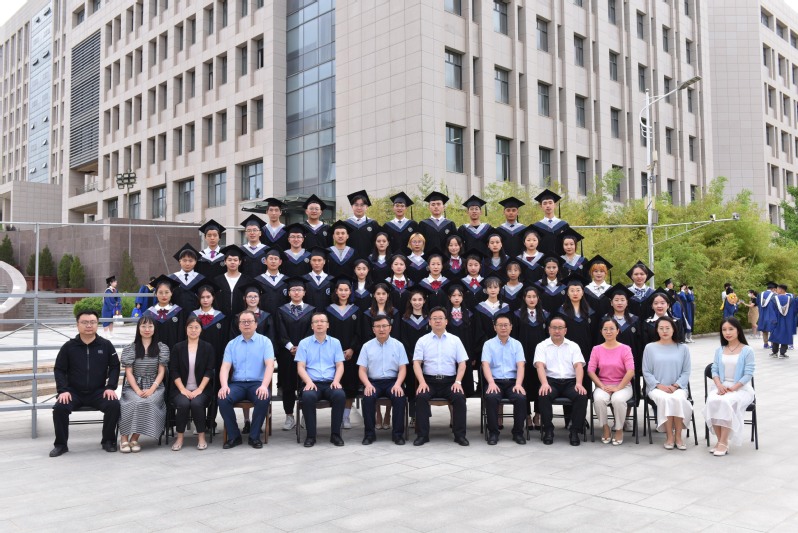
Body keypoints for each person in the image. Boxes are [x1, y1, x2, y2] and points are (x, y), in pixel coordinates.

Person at [50, 310, 120, 457]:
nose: (89, 325)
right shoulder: (69, 347)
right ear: (78, 325)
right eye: (85, 322)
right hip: (73, 392)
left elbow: (115, 366)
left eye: (92, 322)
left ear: (97, 324)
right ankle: (61, 445)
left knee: (114, 405)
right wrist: (63, 390)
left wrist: (110, 387)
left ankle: (108, 441)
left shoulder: (106, 345)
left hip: (98, 391)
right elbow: (59, 370)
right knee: (59, 408)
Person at [217, 310, 275, 449]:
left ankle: (254, 437)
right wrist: (224, 386)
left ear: (256, 324)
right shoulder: (232, 344)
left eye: (250, 321)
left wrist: (264, 386)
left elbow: (270, 365)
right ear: (239, 325)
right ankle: (234, 436)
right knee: (223, 398)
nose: (246, 324)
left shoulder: (265, 342)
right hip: (237, 384)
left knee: (263, 398)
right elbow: (225, 367)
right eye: (243, 321)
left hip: (257, 384)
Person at [412, 307, 469, 446]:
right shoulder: (422, 340)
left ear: (446, 321)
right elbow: (416, 363)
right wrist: (422, 382)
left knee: (459, 397)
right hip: (429, 381)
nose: (438, 321)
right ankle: (422, 435)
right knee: (421, 397)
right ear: (429, 321)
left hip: (450, 382)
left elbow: (462, 363)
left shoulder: (455, 340)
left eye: (440, 318)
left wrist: (458, 382)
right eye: (434, 318)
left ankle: (460, 435)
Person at [704, 317, 756, 456]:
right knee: (712, 401)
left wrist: (733, 388)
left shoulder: (747, 350)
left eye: (731, 329)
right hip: (721, 386)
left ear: (738, 330)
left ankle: (723, 442)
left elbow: (748, 374)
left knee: (726, 402)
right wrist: (719, 385)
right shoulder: (719, 350)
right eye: (724, 330)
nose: (727, 332)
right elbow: (714, 370)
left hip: (741, 388)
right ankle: (720, 440)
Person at [533, 316, 588, 446]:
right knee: (544, 394)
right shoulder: (542, 346)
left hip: (570, 382)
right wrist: (544, 383)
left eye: (560, 328)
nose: (557, 331)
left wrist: (579, 383)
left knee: (581, 396)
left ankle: (575, 431)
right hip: (551, 382)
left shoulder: (573, 346)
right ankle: (548, 430)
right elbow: (540, 366)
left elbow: (578, 366)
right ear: (549, 329)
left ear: (565, 330)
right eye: (554, 328)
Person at [119, 316, 170, 452]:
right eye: (143, 326)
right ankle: (124, 438)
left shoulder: (162, 348)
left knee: (147, 402)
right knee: (132, 402)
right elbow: (129, 373)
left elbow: (161, 372)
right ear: (138, 328)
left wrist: (152, 388)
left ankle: (135, 438)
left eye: (150, 326)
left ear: (155, 328)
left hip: (155, 386)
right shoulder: (130, 348)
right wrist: (137, 390)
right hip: (133, 386)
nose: (147, 329)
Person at [295, 312, 346, 447]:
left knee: (340, 395)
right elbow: (300, 367)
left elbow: (340, 365)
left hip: (331, 383)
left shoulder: (335, 343)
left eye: (322, 321)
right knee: (308, 397)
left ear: (327, 325)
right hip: (312, 383)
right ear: (312, 326)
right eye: (316, 322)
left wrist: (336, 381)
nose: (319, 324)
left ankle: (335, 434)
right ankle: (311, 436)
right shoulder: (304, 343)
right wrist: (308, 382)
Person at [358, 315, 409, 445]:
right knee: (368, 398)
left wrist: (398, 384)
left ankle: (398, 435)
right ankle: (369, 435)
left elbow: (403, 368)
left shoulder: (398, 345)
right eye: (378, 326)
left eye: (384, 326)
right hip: (373, 382)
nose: (381, 329)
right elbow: (362, 370)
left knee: (399, 397)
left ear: (390, 328)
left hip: (393, 381)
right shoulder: (367, 346)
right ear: (373, 329)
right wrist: (367, 384)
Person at [642, 316, 692, 450]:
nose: (664, 331)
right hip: (656, 388)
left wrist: (675, 386)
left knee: (677, 398)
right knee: (666, 399)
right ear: (657, 330)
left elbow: (686, 371)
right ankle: (669, 436)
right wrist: (659, 386)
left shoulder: (683, 348)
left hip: (678, 387)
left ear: (673, 329)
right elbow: (646, 371)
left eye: (667, 328)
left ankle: (678, 436)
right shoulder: (650, 348)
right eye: (661, 328)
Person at [274, 277, 315, 430]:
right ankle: (289, 416)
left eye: (299, 290)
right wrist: (290, 346)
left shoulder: (312, 310)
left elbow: (312, 330)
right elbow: (280, 331)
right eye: (293, 290)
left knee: (306, 384)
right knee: (288, 385)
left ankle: (305, 415)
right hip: (287, 354)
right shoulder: (281, 310)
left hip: (307, 353)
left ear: (304, 292)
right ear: (289, 293)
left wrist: (301, 348)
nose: (296, 292)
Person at [169, 316, 215, 451]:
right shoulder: (178, 347)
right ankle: (180, 437)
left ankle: (201, 437)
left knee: (196, 403)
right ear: (186, 329)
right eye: (190, 327)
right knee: (183, 404)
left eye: (196, 327)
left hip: (202, 389)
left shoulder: (207, 347)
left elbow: (209, 370)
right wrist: (183, 389)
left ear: (201, 329)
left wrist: (199, 389)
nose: (193, 330)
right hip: (180, 389)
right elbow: (174, 370)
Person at [588, 318, 635, 446]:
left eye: (612, 329)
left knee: (618, 400)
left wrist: (618, 387)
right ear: (601, 332)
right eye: (605, 329)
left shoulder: (625, 349)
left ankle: (619, 429)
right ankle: (605, 427)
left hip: (623, 385)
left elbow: (630, 371)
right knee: (598, 399)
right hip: (603, 385)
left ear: (618, 331)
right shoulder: (596, 349)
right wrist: (601, 386)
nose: (608, 332)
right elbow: (591, 371)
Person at [482, 314, 527, 445]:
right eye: (500, 325)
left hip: (513, 382)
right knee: (491, 397)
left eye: (506, 325)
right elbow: (485, 365)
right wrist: (491, 383)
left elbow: (521, 365)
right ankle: (493, 432)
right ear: (494, 327)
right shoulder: (488, 344)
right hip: (495, 381)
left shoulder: (517, 344)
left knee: (520, 398)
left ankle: (518, 433)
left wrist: (518, 384)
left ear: (511, 327)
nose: (503, 328)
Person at [325, 277, 362, 429]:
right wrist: (336, 352)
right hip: (333, 354)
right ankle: (338, 416)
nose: (343, 292)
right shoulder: (328, 310)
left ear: (350, 292)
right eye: (340, 290)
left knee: (350, 385)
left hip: (351, 355)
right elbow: (327, 333)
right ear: (336, 291)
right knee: (336, 385)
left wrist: (352, 348)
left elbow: (359, 332)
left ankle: (346, 416)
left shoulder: (356, 310)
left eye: (346, 290)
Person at [512, 286, 549, 429]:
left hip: (541, 357)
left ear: (538, 298)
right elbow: (514, 337)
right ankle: (526, 415)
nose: (531, 299)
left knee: (541, 382)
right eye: (529, 296)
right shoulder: (517, 315)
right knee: (524, 383)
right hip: (523, 356)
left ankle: (538, 414)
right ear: (524, 298)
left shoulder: (545, 315)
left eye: (534, 297)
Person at [143, 275, 185, 349]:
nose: (164, 295)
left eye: (167, 292)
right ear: (156, 293)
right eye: (160, 292)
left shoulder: (178, 312)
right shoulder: (148, 313)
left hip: (174, 352)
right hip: (153, 352)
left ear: (171, 293)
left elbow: (181, 336)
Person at [213, 244, 254, 319]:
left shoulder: (247, 281)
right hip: (221, 318)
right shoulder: (217, 281)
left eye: (235, 260)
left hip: (242, 319)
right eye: (229, 260)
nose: (232, 262)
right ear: (225, 262)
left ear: (240, 262)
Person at [530, 189, 571, 257]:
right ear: (541, 206)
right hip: (542, 260)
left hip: (561, 260)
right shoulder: (536, 227)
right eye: (545, 203)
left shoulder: (563, 225)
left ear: (555, 205)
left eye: (550, 203)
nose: (548, 206)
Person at [170, 243, 205, 322]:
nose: (187, 263)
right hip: (175, 317)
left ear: (195, 262)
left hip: (195, 317)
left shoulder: (201, 279)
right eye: (184, 260)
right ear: (180, 261)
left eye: (190, 261)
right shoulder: (172, 278)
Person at [344, 190, 383, 261]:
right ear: (352, 206)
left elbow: (377, 242)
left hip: (369, 260)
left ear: (366, 207)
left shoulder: (373, 224)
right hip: (349, 260)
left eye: (362, 205)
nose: (359, 208)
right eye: (356, 205)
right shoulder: (346, 224)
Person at [769, 284, 796, 358]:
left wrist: (773, 320)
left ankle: (774, 353)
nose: (776, 290)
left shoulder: (773, 299)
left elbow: (771, 311)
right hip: (787, 321)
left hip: (776, 321)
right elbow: (794, 311)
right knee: (785, 335)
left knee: (775, 335)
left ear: (781, 290)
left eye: (777, 289)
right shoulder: (791, 300)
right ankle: (782, 353)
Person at [757, 281, 777, 349]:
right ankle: (772, 344)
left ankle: (765, 344)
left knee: (764, 330)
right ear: (773, 289)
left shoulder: (760, 294)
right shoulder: (774, 295)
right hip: (771, 315)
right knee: (772, 329)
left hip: (762, 315)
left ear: (767, 288)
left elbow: (757, 304)